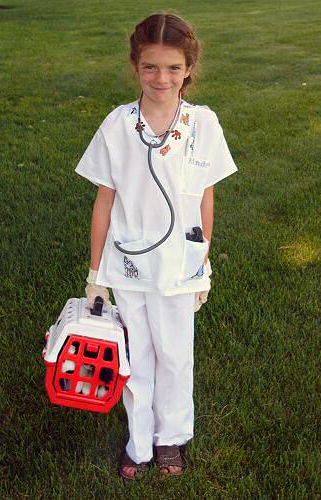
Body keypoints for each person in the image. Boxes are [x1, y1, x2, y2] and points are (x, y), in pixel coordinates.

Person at [75, 12, 238, 479]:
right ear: (135, 66)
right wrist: (96, 273)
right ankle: (140, 441)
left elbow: (205, 196)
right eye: (150, 67)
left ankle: (172, 437)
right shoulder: (117, 125)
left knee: (175, 355)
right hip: (127, 265)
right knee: (136, 356)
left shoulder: (202, 124)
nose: (161, 78)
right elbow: (104, 202)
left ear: (188, 68)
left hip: (178, 268)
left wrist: (201, 261)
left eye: (172, 67)